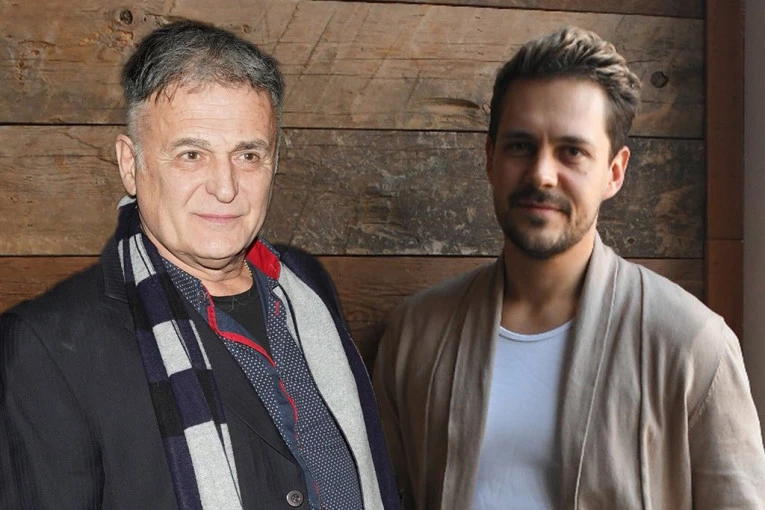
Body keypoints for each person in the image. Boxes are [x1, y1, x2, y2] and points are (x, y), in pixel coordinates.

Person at [0, 20, 398, 510]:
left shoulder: (307, 288)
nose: (225, 188)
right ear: (130, 164)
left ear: (274, 161)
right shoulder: (44, 346)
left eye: (247, 155)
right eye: (192, 154)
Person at [373, 26, 765, 509]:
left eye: (572, 151)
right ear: (490, 158)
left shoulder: (691, 345)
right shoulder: (416, 334)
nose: (541, 174)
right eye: (521, 146)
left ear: (614, 172)